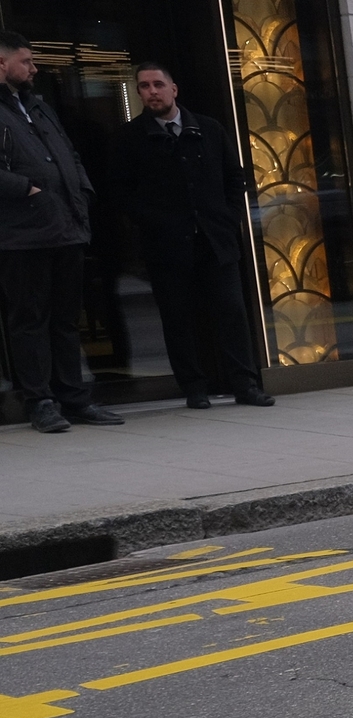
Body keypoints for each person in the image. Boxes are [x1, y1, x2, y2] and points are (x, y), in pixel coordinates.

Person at [117, 61, 274, 410]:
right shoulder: (131, 138)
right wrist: (153, 224)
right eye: (144, 86)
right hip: (167, 247)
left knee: (231, 312)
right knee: (177, 319)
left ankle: (245, 384)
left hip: (215, 242)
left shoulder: (208, 129)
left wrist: (229, 218)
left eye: (158, 84)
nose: (151, 92)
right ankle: (194, 386)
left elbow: (236, 179)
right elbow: (122, 194)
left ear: (174, 89)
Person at [0, 32, 120, 433]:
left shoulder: (37, 105)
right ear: (2, 65)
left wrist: (81, 191)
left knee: (66, 320)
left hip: (65, 228)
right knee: (29, 320)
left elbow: (69, 153)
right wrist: (28, 189)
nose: (33, 68)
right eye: (26, 61)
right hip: (23, 234)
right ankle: (40, 401)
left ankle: (73, 397)